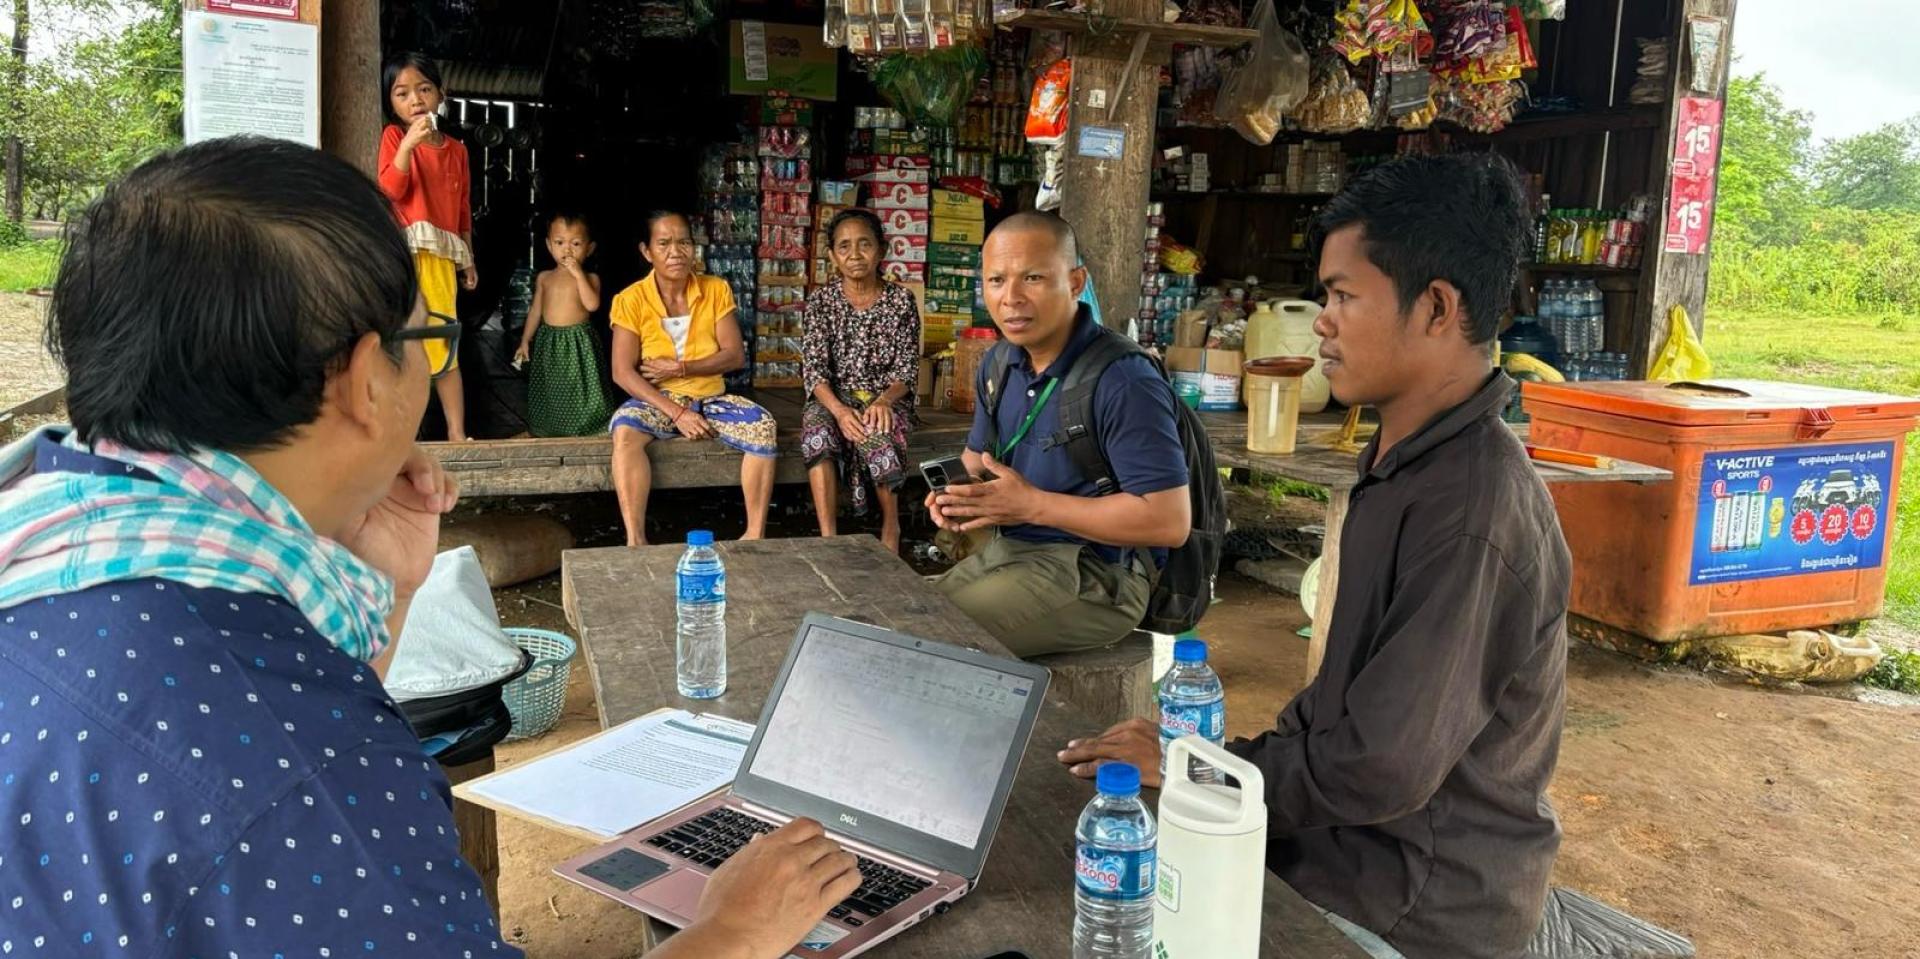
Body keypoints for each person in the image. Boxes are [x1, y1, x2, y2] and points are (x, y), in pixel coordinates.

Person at [0, 137, 859, 959]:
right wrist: (733, 932)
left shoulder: (49, 547)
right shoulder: (300, 756)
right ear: (369, 378)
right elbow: (282, 767)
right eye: (428, 340)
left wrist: (389, 596)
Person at [1056, 154, 1570, 959]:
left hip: (1411, 902)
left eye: (1342, 295)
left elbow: (1379, 767)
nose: (1321, 319)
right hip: (1340, 848)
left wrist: (1203, 774)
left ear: (1437, 307)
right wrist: (1211, 762)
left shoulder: (1474, 508)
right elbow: (1339, 714)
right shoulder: (1405, 458)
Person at [925, 212, 1190, 657]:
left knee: (934, 646)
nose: (1010, 299)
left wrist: (1033, 505)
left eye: (1032, 278)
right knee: (900, 620)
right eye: (995, 280)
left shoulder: (1123, 380)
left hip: (1100, 574)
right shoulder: (998, 364)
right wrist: (958, 496)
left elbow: (1169, 522)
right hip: (1010, 548)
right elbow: (977, 459)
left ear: (1075, 281)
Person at [607, 211, 778, 546]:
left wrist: (681, 368)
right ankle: (636, 539)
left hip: (712, 397)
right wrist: (678, 413)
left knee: (763, 427)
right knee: (625, 431)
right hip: (658, 400)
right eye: (664, 243)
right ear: (647, 251)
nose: (676, 251)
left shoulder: (715, 290)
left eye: (684, 242)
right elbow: (622, 372)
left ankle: (754, 535)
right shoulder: (630, 300)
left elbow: (733, 355)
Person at [801, 208, 922, 553]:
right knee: (816, 431)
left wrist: (884, 401)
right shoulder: (821, 302)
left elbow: (907, 369)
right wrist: (839, 411)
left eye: (864, 244)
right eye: (844, 247)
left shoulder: (901, 301)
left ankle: (891, 526)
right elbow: (814, 369)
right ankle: (828, 536)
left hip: (885, 397)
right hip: (833, 399)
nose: (855, 255)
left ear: (881, 250)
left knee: (878, 429)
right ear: (832, 256)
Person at [378, 51, 476, 441]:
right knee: (404, 344)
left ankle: (456, 433)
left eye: (423, 89)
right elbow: (390, 190)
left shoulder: (458, 150)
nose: (414, 100)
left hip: (441, 260)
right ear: (391, 103)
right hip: (405, 258)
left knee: (445, 341)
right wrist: (407, 148)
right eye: (402, 94)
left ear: (440, 93)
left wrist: (469, 258)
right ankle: (402, 436)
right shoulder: (393, 138)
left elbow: (464, 207)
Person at [515, 211, 616, 436]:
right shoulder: (545, 278)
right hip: (549, 341)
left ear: (589, 249)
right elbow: (535, 312)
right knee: (552, 386)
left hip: (579, 342)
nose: (567, 250)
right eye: (560, 243)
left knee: (581, 387)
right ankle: (550, 428)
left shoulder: (590, 279)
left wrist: (578, 274)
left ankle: (588, 427)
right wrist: (525, 340)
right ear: (549, 246)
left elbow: (592, 305)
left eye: (576, 243)